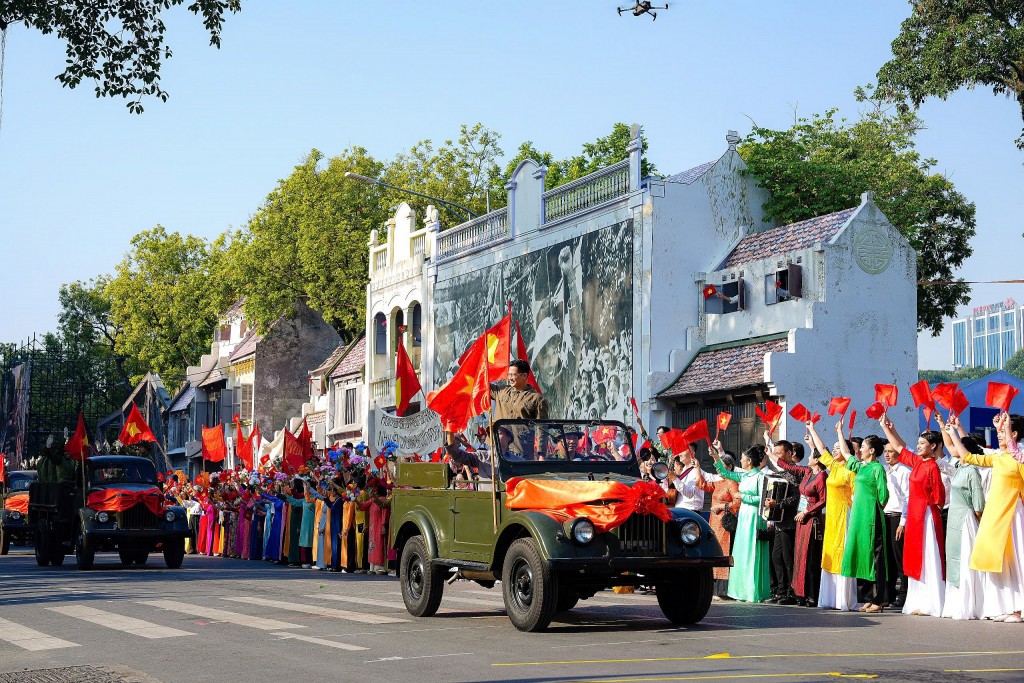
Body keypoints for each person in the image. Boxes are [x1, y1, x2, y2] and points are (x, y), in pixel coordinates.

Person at [950, 412, 1024, 623]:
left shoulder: (1020, 456)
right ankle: (1007, 606)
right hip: (995, 513)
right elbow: (969, 456)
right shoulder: (998, 457)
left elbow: (1017, 455)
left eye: (1003, 432)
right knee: (997, 560)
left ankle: (1018, 608)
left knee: (1015, 561)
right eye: (999, 432)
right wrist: (953, 431)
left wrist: (1006, 428)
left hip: (1012, 513)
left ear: (1014, 433)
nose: (999, 435)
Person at [879, 417, 946, 617]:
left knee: (928, 557)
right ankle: (918, 600)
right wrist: (887, 428)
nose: (918, 446)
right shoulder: (917, 462)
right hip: (915, 516)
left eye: (922, 444)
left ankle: (931, 602)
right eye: (917, 443)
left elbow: (939, 497)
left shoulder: (933, 467)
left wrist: (929, 515)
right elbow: (900, 446)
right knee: (915, 558)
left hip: (926, 516)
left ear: (933, 446)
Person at [827, 431, 890, 614]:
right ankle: (869, 598)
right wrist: (839, 431)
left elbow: (883, 495)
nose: (859, 450)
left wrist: (872, 507)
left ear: (871, 451)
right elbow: (847, 454)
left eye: (862, 447)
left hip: (871, 517)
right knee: (863, 555)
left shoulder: (877, 468)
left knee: (876, 558)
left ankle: (880, 600)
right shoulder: (861, 467)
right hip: (858, 517)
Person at [807, 420, 859, 611]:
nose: (835, 450)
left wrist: (840, 432)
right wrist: (812, 429)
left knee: (842, 553)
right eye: (834, 447)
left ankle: (844, 599)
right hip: (831, 516)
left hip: (845, 516)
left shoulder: (851, 471)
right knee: (829, 554)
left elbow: (855, 497)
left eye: (839, 447)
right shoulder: (834, 468)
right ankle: (830, 598)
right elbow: (821, 449)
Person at [710, 440, 770, 603]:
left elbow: (764, 499)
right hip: (743, 517)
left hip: (754, 517)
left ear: (749, 461)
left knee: (752, 553)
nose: (741, 461)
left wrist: (745, 497)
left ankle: (752, 591)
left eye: (743, 459)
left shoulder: (761, 477)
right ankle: (741, 591)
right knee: (742, 553)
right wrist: (716, 456)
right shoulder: (744, 475)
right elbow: (725, 473)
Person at [773, 434, 828, 607]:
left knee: (810, 558)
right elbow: (785, 465)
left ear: (817, 460)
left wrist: (806, 512)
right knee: (799, 557)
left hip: (812, 520)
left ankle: (812, 594)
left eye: (812, 455)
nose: (808, 458)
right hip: (800, 520)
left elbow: (823, 500)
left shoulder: (821, 477)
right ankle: (800, 593)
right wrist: (770, 452)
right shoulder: (807, 472)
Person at [939, 421, 987, 620]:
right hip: (954, 518)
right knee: (953, 557)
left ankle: (969, 603)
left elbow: (978, 503)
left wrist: (976, 522)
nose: (954, 449)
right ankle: (954, 603)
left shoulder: (972, 472)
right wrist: (944, 426)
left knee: (965, 560)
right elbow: (948, 448)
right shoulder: (957, 468)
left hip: (966, 519)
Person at [763, 437, 801, 605]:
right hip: (778, 522)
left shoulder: (795, 473)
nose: (777, 457)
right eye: (775, 453)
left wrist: (777, 503)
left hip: (789, 522)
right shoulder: (778, 473)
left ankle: (791, 592)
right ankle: (779, 591)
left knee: (788, 559)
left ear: (789, 453)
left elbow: (796, 498)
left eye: (779, 453)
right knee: (776, 557)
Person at [882, 440, 911, 610]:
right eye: (885, 451)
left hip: (898, 517)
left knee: (900, 557)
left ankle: (904, 592)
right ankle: (890, 592)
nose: (887, 454)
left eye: (890, 451)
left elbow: (908, 498)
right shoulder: (886, 471)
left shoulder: (904, 472)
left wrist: (903, 522)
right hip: (886, 515)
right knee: (888, 558)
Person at [708, 452, 742, 598]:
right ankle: (714, 588)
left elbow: (738, 502)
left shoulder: (732, 482)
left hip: (725, 522)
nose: (717, 470)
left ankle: (724, 590)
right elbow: (701, 484)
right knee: (715, 551)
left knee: (724, 551)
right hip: (714, 522)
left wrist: (722, 507)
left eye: (721, 466)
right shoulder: (718, 482)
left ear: (728, 466)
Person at [666, 446, 715, 519]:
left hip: (690, 513)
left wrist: (675, 479)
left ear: (692, 453)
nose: (680, 453)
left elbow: (690, 493)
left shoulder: (697, 471)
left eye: (683, 450)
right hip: (679, 511)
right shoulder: (682, 471)